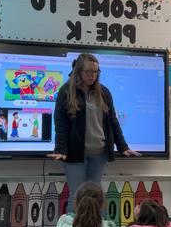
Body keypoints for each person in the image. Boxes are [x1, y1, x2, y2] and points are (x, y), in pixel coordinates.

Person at [48, 53, 140, 211]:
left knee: (94, 196)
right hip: (75, 154)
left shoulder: (104, 92)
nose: (93, 76)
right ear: (78, 71)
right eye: (88, 72)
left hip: (99, 154)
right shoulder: (65, 92)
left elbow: (113, 121)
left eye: (96, 72)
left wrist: (123, 146)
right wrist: (61, 149)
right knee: (77, 195)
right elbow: (60, 123)